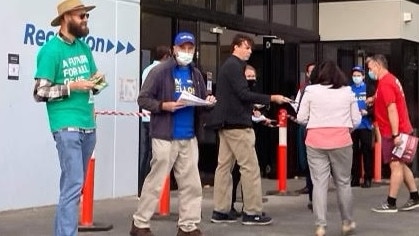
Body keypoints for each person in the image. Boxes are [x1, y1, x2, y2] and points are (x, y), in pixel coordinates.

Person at [131, 32, 216, 236]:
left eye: (190, 48)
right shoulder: (160, 71)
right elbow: (143, 99)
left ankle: (188, 226)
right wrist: (163, 105)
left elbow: (202, 100)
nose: (186, 52)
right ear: (174, 49)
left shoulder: (196, 74)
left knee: (192, 184)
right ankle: (140, 223)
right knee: (156, 181)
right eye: (182, 48)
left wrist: (208, 102)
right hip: (165, 135)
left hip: (189, 136)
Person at [33, 0, 102, 235]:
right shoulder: (50, 50)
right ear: (66, 18)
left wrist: (97, 82)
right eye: (81, 16)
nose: (85, 20)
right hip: (66, 126)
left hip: (88, 125)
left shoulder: (84, 48)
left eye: (86, 16)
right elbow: (39, 92)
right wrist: (72, 86)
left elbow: (92, 82)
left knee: (72, 187)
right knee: (73, 185)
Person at [209, 34, 292, 226]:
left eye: (250, 48)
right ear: (235, 47)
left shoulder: (227, 66)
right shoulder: (235, 66)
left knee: (223, 168)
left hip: (226, 123)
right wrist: (272, 98)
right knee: (250, 168)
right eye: (245, 47)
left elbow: (235, 95)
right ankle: (252, 212)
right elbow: (242, 93)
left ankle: (220, 210)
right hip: (238, 125)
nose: (249, 51)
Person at [296, 60, 361, 236]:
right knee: (343, 182)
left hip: (315, 141)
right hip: (342, 140)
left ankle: (320, 226)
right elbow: (356, 119)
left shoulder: (310, 91)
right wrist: (346, 129)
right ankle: (347, 222)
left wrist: (316, 124)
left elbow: (301, 118)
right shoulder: (347, 91)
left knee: (319, 183)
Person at [367, 54, 419, 213]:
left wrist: (396, 135)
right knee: (401, 164)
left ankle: (391, 202)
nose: (370, 71)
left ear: (378, 65)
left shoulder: (385, 84)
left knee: (395, 164)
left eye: (370, 68)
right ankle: (415, 197)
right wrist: (374, 99)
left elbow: (392, 109)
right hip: (400, 129)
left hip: (394, 131)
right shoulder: (390, 80)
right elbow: (388, 100)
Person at [230, 64, 274, 217]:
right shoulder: (237, 92)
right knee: (235, 172)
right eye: (247, 77)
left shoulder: (254, 92)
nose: (251, 80)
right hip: (238, 133)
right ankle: (230, 205)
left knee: (250, 172)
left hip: (255, 134)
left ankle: (248, 205)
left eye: (252, 77)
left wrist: (260, 116)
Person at [138, 45, 171, 196]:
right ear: (166, 57)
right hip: (156, 116)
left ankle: (141, 189)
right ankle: (149, 190)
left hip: (146, 116)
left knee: (147, 154)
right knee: (155, 156)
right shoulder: (161, 72)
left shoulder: (147, 70)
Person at [293, 62, 315, 211]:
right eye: (311, 71)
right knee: (307, 160)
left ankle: (315, 197)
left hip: (315, 127)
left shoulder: (322, 89)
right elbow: (297, 106)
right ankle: (311, 191)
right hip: (306, 127)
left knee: (316, 162)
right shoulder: (304, 88)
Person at [350, 66, 374, 188]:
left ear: (363, 76)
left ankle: (368, 178)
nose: (356, 77)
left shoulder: (369, 89)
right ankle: (355, 177)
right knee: (354, 152)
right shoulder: (350, 89)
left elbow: (375, 106)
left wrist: (368, 112)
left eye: (358, 75)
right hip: (353, 126)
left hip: (365, 125)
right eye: (354, 75)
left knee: (367, 152)